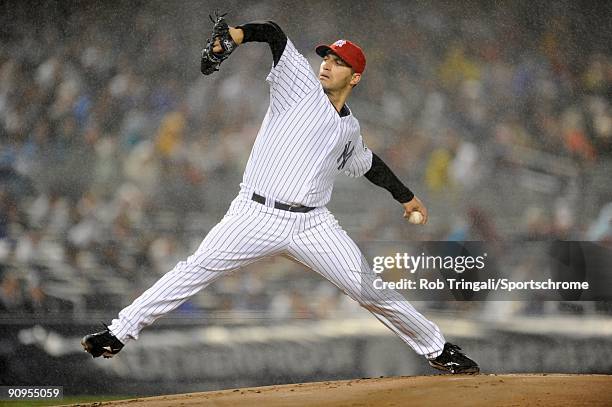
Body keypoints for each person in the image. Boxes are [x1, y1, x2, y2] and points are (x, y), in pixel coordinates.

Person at [82, 17, 479, 374]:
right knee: (194, 269)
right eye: (326, 57)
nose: (326, 63)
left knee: (369, 288)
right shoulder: (299, 86)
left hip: (312, 223)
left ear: (354, 78)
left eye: (338, 61)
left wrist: (406, 197)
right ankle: (117, 333)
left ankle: (439, 349)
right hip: (254, 214)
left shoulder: (349, 129)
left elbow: (369, 163)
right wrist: (235, 36)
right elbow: (273, 33)